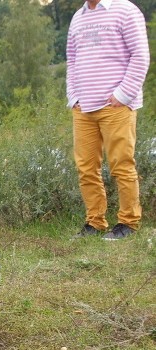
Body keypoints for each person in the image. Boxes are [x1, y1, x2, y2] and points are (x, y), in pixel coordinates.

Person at [66, 0, 150, 240]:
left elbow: (140, 55)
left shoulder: (126, 10)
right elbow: (71, 61)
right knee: (86, 168)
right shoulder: (77, 17)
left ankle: (128, 222)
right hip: (83, 108)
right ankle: (95, 222)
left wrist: (122, 94)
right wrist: (73, 96)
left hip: (116, 106)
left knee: (121, 164)